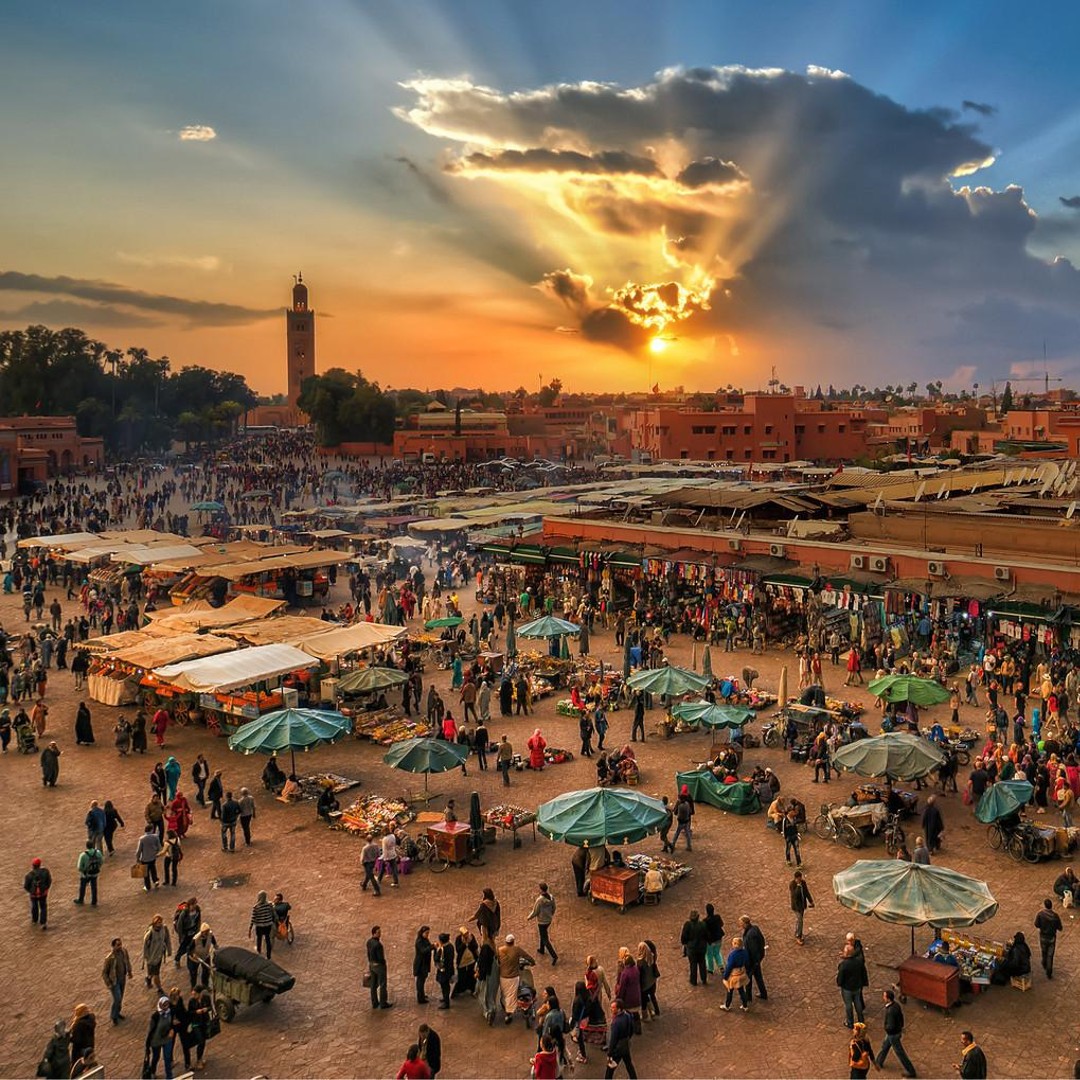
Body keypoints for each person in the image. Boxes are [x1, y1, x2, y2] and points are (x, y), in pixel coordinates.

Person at [875, 989, 917, 1077]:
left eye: (884, 996)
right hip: (896, 1032)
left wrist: (886, 1029)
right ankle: (879, 1061)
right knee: (885, 1046)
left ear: (888, 999)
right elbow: (901, 1017)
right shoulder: (896, 1005)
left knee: (900, 1053)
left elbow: (890, 1026)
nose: (883, 997)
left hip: (893, 1034)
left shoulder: (890, 1011)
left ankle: (911, 1071)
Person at [497, 933, 534, 1024]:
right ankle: (509, 1013)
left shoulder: (500, 950)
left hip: (503, 977)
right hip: (513, 977)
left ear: (506, 942)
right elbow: (527, 956)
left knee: (505, 995)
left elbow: (496, 959)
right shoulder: (516, 949)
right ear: (513, 941)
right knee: (511, 996)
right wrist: (533, 962)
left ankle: (508, 1011)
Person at [102, 936, 134, 1025]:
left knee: (120, 998)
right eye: (118, 945)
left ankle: (117, 1013)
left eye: (120, 944)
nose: (120, 946)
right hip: (114, 981)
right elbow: (104, 973)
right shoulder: (109, 958)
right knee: (117, 998)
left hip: (122, 978)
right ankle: (114, 1016)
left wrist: (129, 971)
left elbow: (127, 961)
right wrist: (108, 983)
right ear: (113, 946)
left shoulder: (124, 952)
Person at [604, 998, 637, 1080]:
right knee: (628, 1064)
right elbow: (632, 1029)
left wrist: (609, 1053)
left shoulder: (616, 1023)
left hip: (618, 1049)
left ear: (619, 1009)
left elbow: (613, 1040)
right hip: (626, 1044)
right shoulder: (628, 1015)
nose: (611, 1009)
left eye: (613, 1008)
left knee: (610, 1069)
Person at [144, 996, 174, 1080]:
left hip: (167, 1039)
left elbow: (172, 1023)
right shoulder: (156, 1016)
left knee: (167, 1058)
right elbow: (151, 1031)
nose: (166, 1007)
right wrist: (147, 1045)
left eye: (167, 1004)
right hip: (156, 1040)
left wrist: (172, 1030)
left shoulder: (170, 1012)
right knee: (156, 1057)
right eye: (164, 1005)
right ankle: (153, 1072)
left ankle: (169, 1076)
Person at [528, 882, 558, 965]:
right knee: (543, 933)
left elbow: (535, 911)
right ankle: (541, 949)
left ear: (541, 890)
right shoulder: (551, 897)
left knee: (545, 938)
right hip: (548, 920)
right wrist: (551, 914)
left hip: (542, 921)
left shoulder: (540, 900)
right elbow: (554, 907)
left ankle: (554, 956)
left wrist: (529, 917)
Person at [837, 943, 867, 1028]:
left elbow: (840, 977)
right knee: (857, 1002)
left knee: (848, 1005)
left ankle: (850, 1022)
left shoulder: (844, 965)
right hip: (857, 986)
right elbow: (863, 972)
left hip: (847, 988)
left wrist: (839, 983)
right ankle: (861, 1020)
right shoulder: (859, 962)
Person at [720, 934, 751, 1011]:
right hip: (741, 973)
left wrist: (725, 977)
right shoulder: (745, 952)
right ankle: (745, 1005)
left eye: (734, 943)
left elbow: (729, 967)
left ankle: (727, 1005)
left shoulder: (733, 955)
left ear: (736, 945)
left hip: (734, 975)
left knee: (730, 990)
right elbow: (747, 963)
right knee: (741, 990)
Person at [740, 915, 768, 1000]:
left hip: (752, 961)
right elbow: (762, 940)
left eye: (741, 923)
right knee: (758, 976)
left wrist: (754, 961)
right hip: (757, 959)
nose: (740, 925)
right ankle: (763, 993)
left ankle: (748, 997)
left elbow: (753, 950)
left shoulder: (750, 935)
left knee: (748, 978)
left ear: (745, 923)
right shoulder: (755, 928)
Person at [1034, 896, 1063, 978]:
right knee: (1050, 954)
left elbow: (1036, 924)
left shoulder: (1040, 914)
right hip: (1052, 937)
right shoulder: (1055, 916)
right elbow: (1060, 927)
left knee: (1044, 951)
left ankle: (1044, 962)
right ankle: (1049, 971)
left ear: (1045, 905)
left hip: (1043, 935)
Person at [143, 914, 172, 993]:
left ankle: (150, 980)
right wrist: (146, 957)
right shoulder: (150, 933)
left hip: (159, 956)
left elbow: (167, 939)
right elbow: (145, 946)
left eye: (160, 922)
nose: (159, 924)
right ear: (154, 923)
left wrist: (169, 950)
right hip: (151, 957)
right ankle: (158, 987)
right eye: (158, 923)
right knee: (155, 974)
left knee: (155, 973)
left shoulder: (164, 929)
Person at [681, 908, 709, 986]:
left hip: (692, 948)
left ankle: (693, 981)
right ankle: (704, 979)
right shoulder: (703, 924)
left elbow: (683, 937)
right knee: (702, 963)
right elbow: (707, 935)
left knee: (693, 964)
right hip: (702, 947)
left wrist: (685, 943)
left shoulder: (687, 925)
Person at [367, 925, 391, 1009]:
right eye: (378, 932)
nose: (380, 934)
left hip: (372, 964)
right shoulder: (378, 945)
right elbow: (381, 958)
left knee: (373, 984)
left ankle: (374, 1002)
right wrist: (383, 963)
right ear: (374, 933)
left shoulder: (369, 942)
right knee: (383, 984)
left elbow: (368, 954)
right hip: (379, 966)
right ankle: (383, 1002)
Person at [74, 839, 103, 906]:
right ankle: (94, 901)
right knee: (94, 887)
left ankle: (81, 899)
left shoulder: (83, 855)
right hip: (95, 872)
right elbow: (101, 861)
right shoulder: (98, 853)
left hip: (85, 873)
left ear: (86, 846)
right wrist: (98, 867)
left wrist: (83, 871)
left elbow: (79, 867)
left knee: (83, 886)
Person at [790, 870, 814, 945]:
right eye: (798, 879)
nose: (800, 880)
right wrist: (798, 886)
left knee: (799, 921)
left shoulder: (803, 883)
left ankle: (798, 933)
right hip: (796, 907)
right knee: (800, 920)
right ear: (796, 878)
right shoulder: (792, 885)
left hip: (802, 906)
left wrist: (811, 901)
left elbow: (806, 892)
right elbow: (794, 896)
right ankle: (798, 936)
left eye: (800, 878)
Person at [137, 822, 163, 891]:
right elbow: (159, 847)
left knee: (145, 873)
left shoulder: (142, 839)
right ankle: (155, 880)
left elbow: (139, 850)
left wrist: (137, 858)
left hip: (144, 858)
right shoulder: (155, 837)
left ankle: (147, 886)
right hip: (153, 857)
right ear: (151, 830)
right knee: (153, 869)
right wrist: (157, 853)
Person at [250, 890, 276, 959]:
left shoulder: (256, 907)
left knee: (259, 938)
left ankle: (259, 950)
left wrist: (250, 928)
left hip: (259, 926)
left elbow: (253, 918)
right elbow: (273, 913)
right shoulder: (269, 905)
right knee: (267, 939)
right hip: (268, 925)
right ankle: (268, 955)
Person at [413, 925, 433, 1004]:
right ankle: (420, 998)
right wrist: (432, 947)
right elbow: (423, 951)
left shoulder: (425, 939)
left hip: (424, 963)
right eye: (426, 933)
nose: (427, 934)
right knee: (420, 981)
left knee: (422, 980)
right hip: (420, 965)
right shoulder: (419, 942)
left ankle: (422, 994)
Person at [434, 931, 454, 1009]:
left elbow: (436, 959)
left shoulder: (442, 950)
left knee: (444, 986)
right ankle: (446, 999)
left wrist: (436, 950)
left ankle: (446, 1002)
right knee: (446, 986)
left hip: (443, 971)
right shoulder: (450, 946)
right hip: (450, 969)